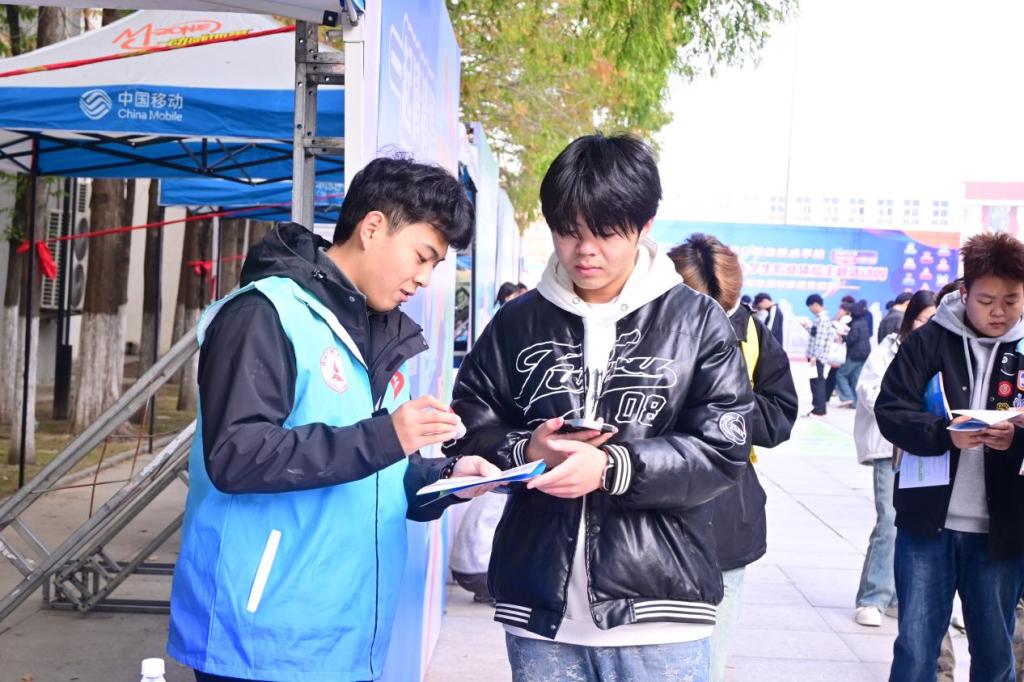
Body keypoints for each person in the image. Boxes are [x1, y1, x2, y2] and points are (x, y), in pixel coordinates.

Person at [167, 157, 502, 682]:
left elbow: (381, 478)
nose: (424, 278)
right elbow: (236, 455)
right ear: (372, 227)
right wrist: (386, 436)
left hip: (345, 638)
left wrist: (446, 480)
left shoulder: (382, 335)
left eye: (435, 265)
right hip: (260, 637)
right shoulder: (265, 313)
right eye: (422, 256)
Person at [446, 133, 756, 681]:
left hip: (661, 610)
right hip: (538, 611)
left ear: (644, 224)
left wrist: (614, 468)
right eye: (569, 231)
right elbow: (468, 423)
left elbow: (723, 449)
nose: (585, 250)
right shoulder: (517, 322)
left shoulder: (697, 321)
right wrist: (526, 449)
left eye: (606, 233)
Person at [876, 232, 1024, 681]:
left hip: (1002, 529)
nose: (998, 312)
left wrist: (1016, 439)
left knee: (996, 653)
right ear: (964, 293)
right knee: (917, 649)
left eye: (1011, 300)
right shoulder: (928, 342)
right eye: (986, 300)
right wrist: (944, 434)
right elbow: (891, 410)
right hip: (927, 524)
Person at [669, 233, 797, 682]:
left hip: (726, 515)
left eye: (722, 312)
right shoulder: (641, 329)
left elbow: (779, 418)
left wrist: (725, 397)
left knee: (709, 660)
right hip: (648, 516)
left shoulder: (752, 333)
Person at [853, 290, 936, 627]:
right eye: (923, 319)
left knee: (917, 524)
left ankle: (900, 597)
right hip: (891, 446)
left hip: (928, 447)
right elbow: (869, 391)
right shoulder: (889, 348)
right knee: (888, 519)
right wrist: (906, 414)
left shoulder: (940, 349)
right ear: (910, 318)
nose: (928, 325)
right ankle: (872, 597)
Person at [835, 301, 870, 408]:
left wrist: (843, 335)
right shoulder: (863, 322)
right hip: (864, 353)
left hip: (855, 354)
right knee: (856, 378)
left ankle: (847, 397)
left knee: (840, 374)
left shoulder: (856, 324)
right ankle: (856, 402)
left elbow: (851, 340)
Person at [804, 294, 833, 416]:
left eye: (810, 306)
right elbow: (816, 335)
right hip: (814, 356)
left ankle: (819, 409)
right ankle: (817, 407)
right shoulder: (818, 318)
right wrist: (808, 328)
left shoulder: (822, 319)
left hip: (816, 358)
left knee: (817, 382)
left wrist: (814, 357)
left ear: (816, 304)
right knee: (814, 381)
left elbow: (820, 341)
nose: (810, 309)